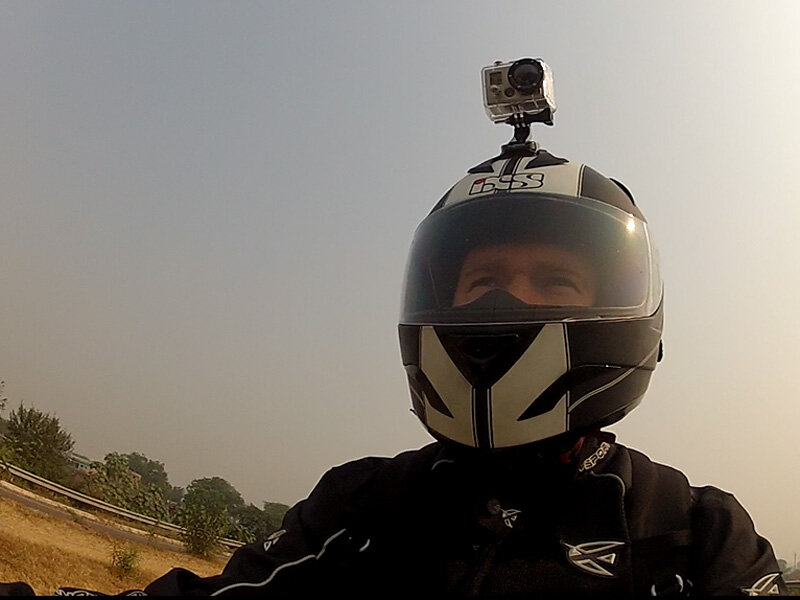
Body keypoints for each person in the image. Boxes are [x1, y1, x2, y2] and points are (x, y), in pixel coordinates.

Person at [1, 146, 786, 597]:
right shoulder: (365, 506)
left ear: (622, 311)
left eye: (554, 280)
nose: (508, 302)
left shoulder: (693, 534)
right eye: (484, 281)